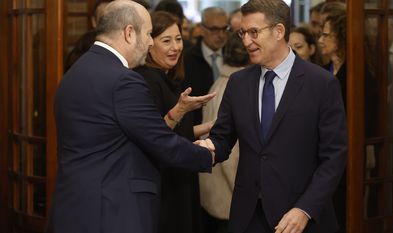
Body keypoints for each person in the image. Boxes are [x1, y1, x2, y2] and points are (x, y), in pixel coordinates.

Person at [47, 1, 214, 233]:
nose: (149, 42)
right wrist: (207, 155)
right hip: (112, 212)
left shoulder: (76, 70)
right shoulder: (123, 81)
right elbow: (160, 141)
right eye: (147, 34)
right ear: (128, 33)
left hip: (74, 208)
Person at [199, 0, 347, 232]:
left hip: (300, 218)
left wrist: (305, 209)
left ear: (279, 31)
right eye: (243, 33)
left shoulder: (321, 84)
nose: (246, 41)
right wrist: (203, 149)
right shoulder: (238, 83)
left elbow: (334, 157)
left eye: (254, 32)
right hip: (248, 216)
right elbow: (222, 138)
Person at [133, 11, 215, 233]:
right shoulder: (146, 79)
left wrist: (209, 127)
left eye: (178, 39)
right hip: (164, 181)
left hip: (179, 175)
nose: (176, 47)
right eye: (166, 41)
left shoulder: (169, 77)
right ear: (149, 44)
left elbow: (180, 134)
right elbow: (154, 137)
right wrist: (180, 110)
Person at [199, 32, 249, 233]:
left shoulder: (221, 82)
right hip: (228, 197)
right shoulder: (237, 88)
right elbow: (231, 155)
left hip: (216, 192)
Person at [64, 0, 151, 72]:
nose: (109, 22)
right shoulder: (87, 48)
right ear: (94, 21)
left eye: (113, 18)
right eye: (104, 19)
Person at [183, 7, 229, 126]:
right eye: (214, 29)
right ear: (202, 30)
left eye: (225, 29)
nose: (221, 35)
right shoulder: (186, 60)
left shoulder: (233, 58)